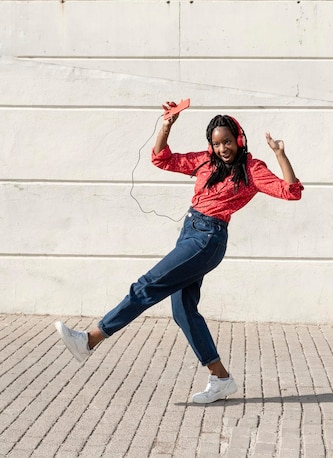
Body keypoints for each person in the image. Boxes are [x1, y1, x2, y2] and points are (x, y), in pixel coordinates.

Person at [55, 102, 303, 404]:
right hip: (190, 233)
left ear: (239, 139)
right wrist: (167, 125)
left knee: (147, 285)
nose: (223, 147)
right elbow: (161, 158)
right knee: (183, 309)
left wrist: (279, 153)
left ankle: (90, 340)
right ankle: (221, 378)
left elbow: (291, 191)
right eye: (216, 143)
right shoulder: (205, 162)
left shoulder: (251, 169)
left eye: (227, 141)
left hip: (207, 240)